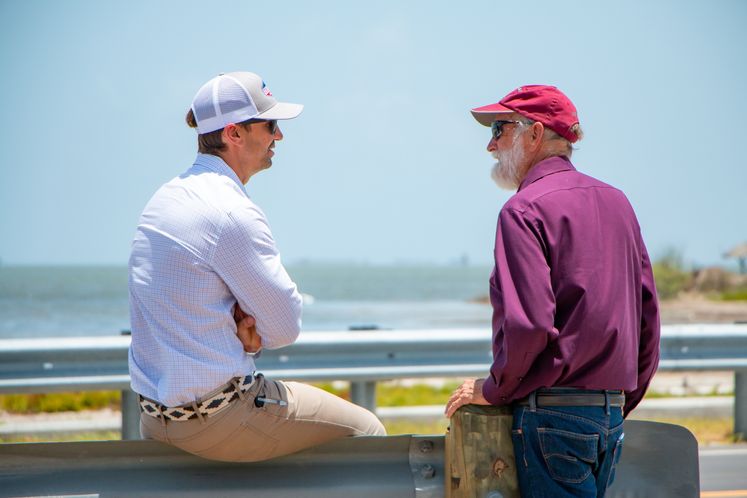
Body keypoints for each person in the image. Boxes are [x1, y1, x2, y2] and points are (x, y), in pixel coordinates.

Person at [128, 71, 385, 462]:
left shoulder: (162, 200)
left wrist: (239, 330)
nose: (278, 137)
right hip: (220, 419)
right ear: (233, 133)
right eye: (271, 125)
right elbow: (285, 328)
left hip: (154, 419)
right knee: (370, 432)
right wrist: (250, 333)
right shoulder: (232, 212)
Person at [445, 85, 660, 497]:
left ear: (535, 134)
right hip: (607, 415)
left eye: (499, 130)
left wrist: (495, 388)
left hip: (553, 416)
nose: (490, 146)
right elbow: (647, 318)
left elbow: (530, 325)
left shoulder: (523, 210)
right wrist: (617, 404)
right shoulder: (618, 202)